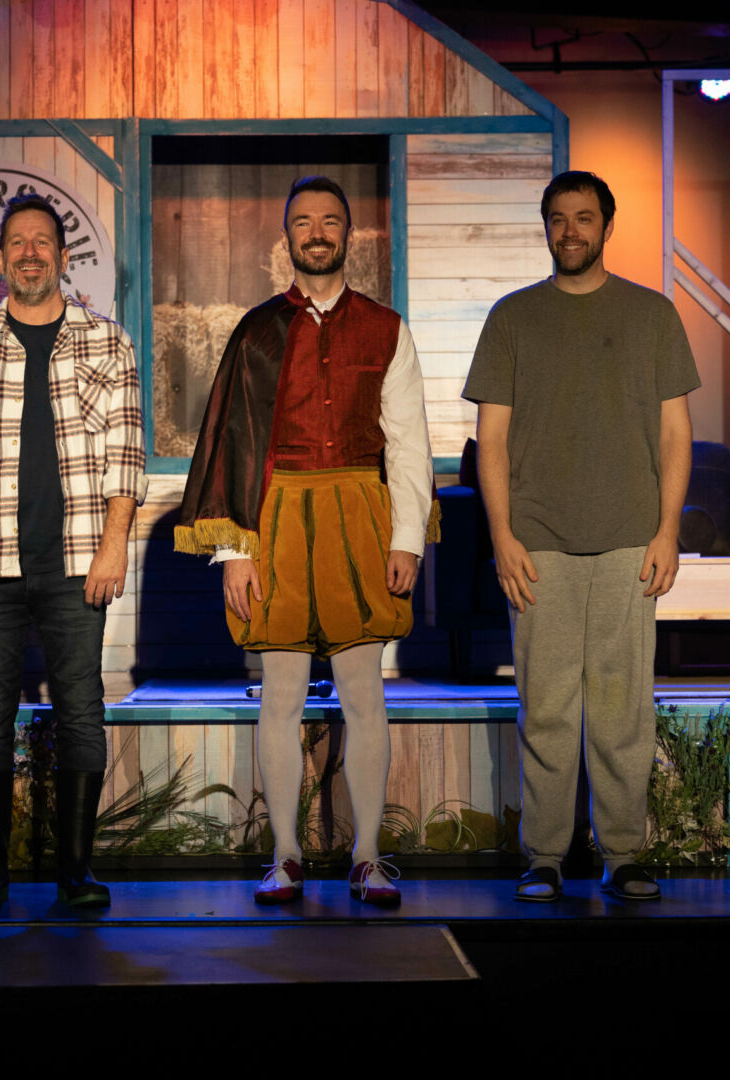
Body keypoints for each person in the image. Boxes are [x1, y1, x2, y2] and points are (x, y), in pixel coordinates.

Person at [176, 176, 437, 907]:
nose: (316, 232)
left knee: (364, 694)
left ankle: (368, 855)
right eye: (302, 222)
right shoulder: (257, 331)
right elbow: (232, 440)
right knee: (280, 696)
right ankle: (286, 854)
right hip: (278, 518)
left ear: (348, 235)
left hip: (360, 513)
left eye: (329, 221)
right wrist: (235, 551)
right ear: (286, 238)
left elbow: (409, 444)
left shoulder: (386, 328)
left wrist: (408, 538)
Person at [463, 170, 699, 902]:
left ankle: (625, 854)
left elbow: (675, 432)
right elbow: (491, 440)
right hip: (539, 544)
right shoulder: (512, 318)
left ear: (606, 225)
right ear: (545, 227)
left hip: (631, 538)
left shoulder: (652, 314)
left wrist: (668, 531)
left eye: (584, 218)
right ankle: (544, 856)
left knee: (625, 705)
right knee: (548, 704)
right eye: (559, 218)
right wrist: (501, 536)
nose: (571, 230)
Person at [0, 193, 146, 909]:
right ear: (0, 258)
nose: (30, 253)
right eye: (16, 243)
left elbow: (126, 456)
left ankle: (76, 872)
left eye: (42, 241)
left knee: (81, 710)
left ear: (63, 256)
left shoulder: (108, 341)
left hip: (79, 561)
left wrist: (114, 546)